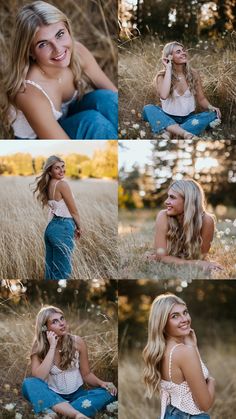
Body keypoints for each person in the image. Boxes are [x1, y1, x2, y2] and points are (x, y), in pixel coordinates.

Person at [1, 1, 118, 139]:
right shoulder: (28, 92)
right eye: (43, 44)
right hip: (41, 140)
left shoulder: (78, 52)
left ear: (68, 30)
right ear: (30, 52)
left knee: (108, 100)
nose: (58, 49)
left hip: (69, 117)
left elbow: (114, 95)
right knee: (93, 123)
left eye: (60, 34)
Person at [22, 306, 117, 418]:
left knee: (109, 393)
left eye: (62, 318)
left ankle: (57, 411)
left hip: (78, 396)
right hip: (53, 395)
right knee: (29, 383)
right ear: (44, 328)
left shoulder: (77, 342)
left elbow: (86, 374)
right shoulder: (38, 347)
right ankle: (76, 414)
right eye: (55, 321)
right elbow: (39, 379)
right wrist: (52, 346)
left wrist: (102, 383)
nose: (62, 323)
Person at [143, 293, 215, 419]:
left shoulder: (161, 350)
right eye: (175, 316)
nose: (184, 319)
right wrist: (212, 381)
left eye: (185, 312)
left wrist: (193, 347)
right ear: (162, 323)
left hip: (172, 413)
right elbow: (205, 404)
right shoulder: (183, 352)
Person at [143, 41, 221, 139]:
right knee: (148, 109)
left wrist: (211, 107)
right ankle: (185, 133)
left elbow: (201, 99)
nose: (183, 53)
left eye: (183, 51)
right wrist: (168, 68)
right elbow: (164, 95)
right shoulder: (162, 76)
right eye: (178, 52)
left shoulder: (194, 74)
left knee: (214, 114)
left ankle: (170, 131)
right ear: (169, 56)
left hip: (188, 118)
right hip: (167, 117)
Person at [149, 179, 223, 272]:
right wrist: (196, 263)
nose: (166, 201)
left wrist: (170, 259)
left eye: (172, 197)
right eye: (168, 197)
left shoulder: (207, 221)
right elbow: (161, 257)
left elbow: (200, 257)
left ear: (188, 200)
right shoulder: (163, 216)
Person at [33, 155, 81, 280]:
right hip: (63, 228)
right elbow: (74, 211)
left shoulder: (49, 185)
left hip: (51, 229)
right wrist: (79, 227)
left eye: (63, 166)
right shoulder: (62, 184)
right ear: (50, 171)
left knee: (50, 269)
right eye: (57, 168)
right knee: (62, 271)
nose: (62, 170)